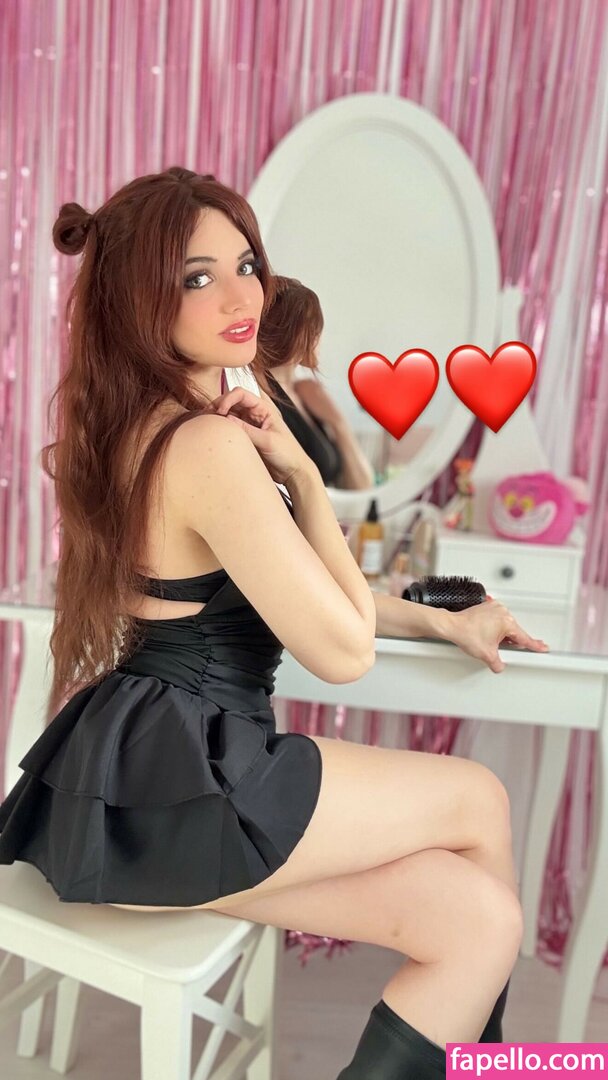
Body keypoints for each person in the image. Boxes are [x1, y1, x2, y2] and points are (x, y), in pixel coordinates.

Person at [0, 166, 549, 1077]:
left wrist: (442, 620)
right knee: (479, 798)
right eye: (196, 277)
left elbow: (287, 591)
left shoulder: (136, 426)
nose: (241, 296)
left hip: (139, 779)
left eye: (246, 264)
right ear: (138, 299)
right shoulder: (210, 443)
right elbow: (343, 651)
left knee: (479, 920)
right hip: (196, 780)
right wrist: (302, 473)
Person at [256, 274, 375, 489]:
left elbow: (361, 486)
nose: (317, 337)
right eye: (312, 328)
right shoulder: (262, 395)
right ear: (289, 333)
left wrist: (337, 423)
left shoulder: (307, 394)